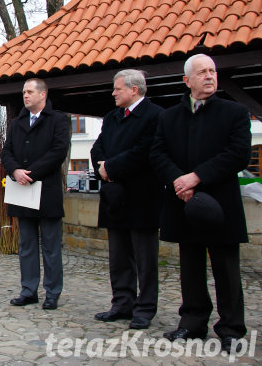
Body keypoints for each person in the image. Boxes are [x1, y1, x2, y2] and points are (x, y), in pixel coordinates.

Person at [150, 54, 251, 354]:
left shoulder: (235, 112)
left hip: (220, 203)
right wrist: (180, 182)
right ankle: (192, 323)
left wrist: (196, 177)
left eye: (213, 71)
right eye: (202, 72)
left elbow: (238, 154)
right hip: (183, 202)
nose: (209, 76)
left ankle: (231, 329)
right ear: (187, 80)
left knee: (227, 270)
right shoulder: (168, 117)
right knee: (190, 268)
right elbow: (157, 154)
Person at [90, 70, 163, 329]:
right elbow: (97, 147)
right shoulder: (112, 117)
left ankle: (145, 308)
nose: (113, 93)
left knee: (145, 258)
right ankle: (122, 303)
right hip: (114, 195)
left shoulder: (155, 115)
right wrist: (103, 167)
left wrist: (111, 167)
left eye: (117, 88)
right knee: (118, 256)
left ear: (134, 89)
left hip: (142, 196)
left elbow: (144, 151)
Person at [0, 78, 70, 310]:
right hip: (22, 191)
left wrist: (31, 172)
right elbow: (6, 152)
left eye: (29, 92)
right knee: (27, 245)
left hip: (46, 192)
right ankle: (28, 290)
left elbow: (58, 151)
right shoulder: (17, 122)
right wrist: (15, 171)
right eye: (23, 92)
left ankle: (52, 292)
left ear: (43, 95)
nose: (25, 96)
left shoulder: (58, 120)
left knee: (50, 246)